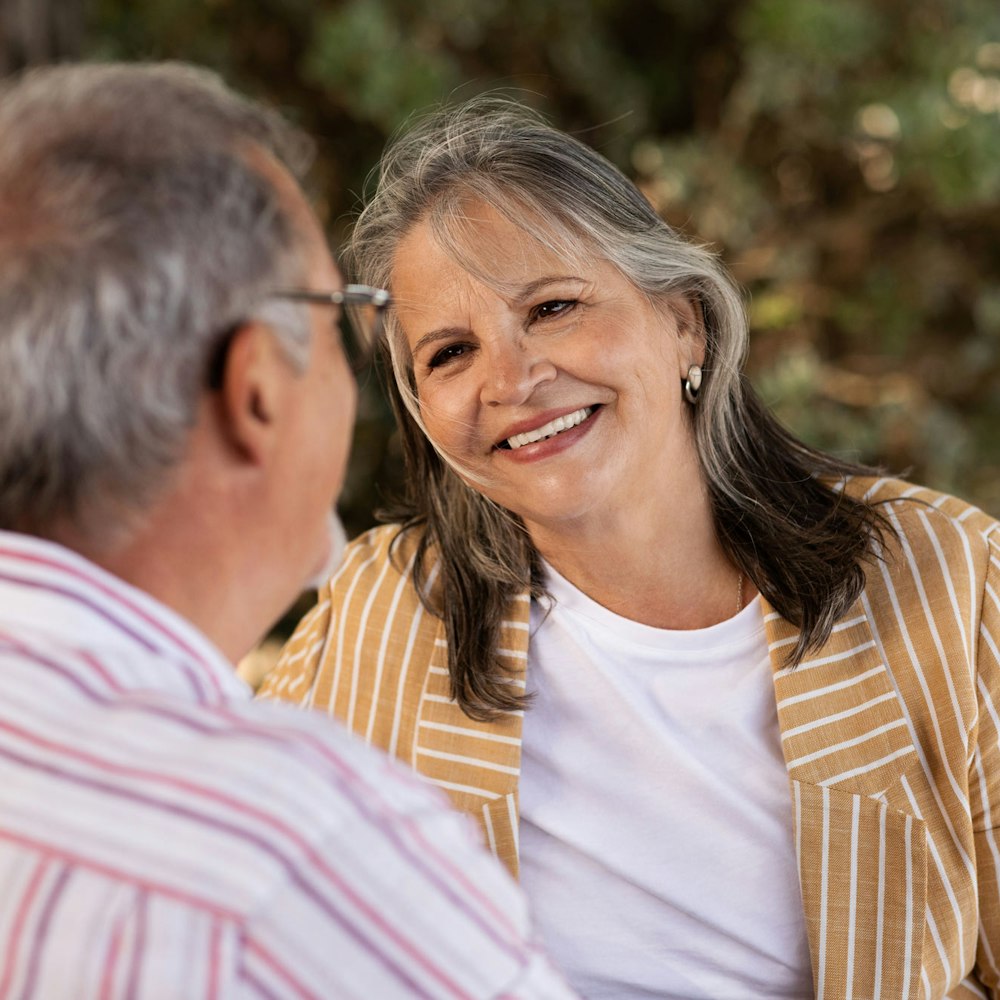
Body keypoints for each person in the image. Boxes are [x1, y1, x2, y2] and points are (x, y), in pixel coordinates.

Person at [259, 96, 1000, 1000]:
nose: (513, 380)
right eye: (449, 353)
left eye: (555, 307)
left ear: (684, 320)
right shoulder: (382, 607)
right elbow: (235, 919)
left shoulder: (957, 580)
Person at [0, 66, 577, 999]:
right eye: (343, 314)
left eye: (554, 308)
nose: (507, 383)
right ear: (258, 388)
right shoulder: (295, 857)